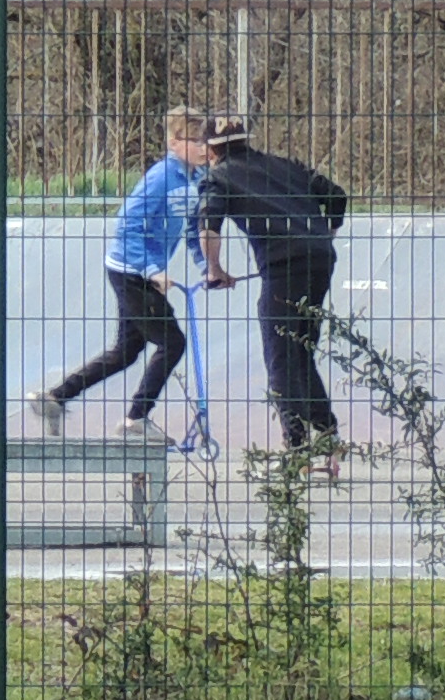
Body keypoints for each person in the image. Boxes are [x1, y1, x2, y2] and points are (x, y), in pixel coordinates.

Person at [35, 105, 240, 436]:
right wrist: (152, 270)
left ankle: (55, 397)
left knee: (126, 352)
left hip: (144, 271)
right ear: (174, 143)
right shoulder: (161, 178)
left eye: (206, 141)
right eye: (195, 141)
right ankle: (135, 419)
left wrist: (208, 267)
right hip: (131, 271)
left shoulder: (198, 179)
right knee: (172, 343)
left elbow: (194, 228)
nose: (204, 147)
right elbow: (127, 226)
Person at [199, 117, 351, 448]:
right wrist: (325, 236)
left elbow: (209, 226)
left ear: (211, 150)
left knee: (280, 354)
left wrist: (214, 270)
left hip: (283, 265)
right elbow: (337, 196)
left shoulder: (218, 177)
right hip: (320, 260)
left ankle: (296, 443)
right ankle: (326, 432)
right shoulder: (285, 165)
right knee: (301, 349)